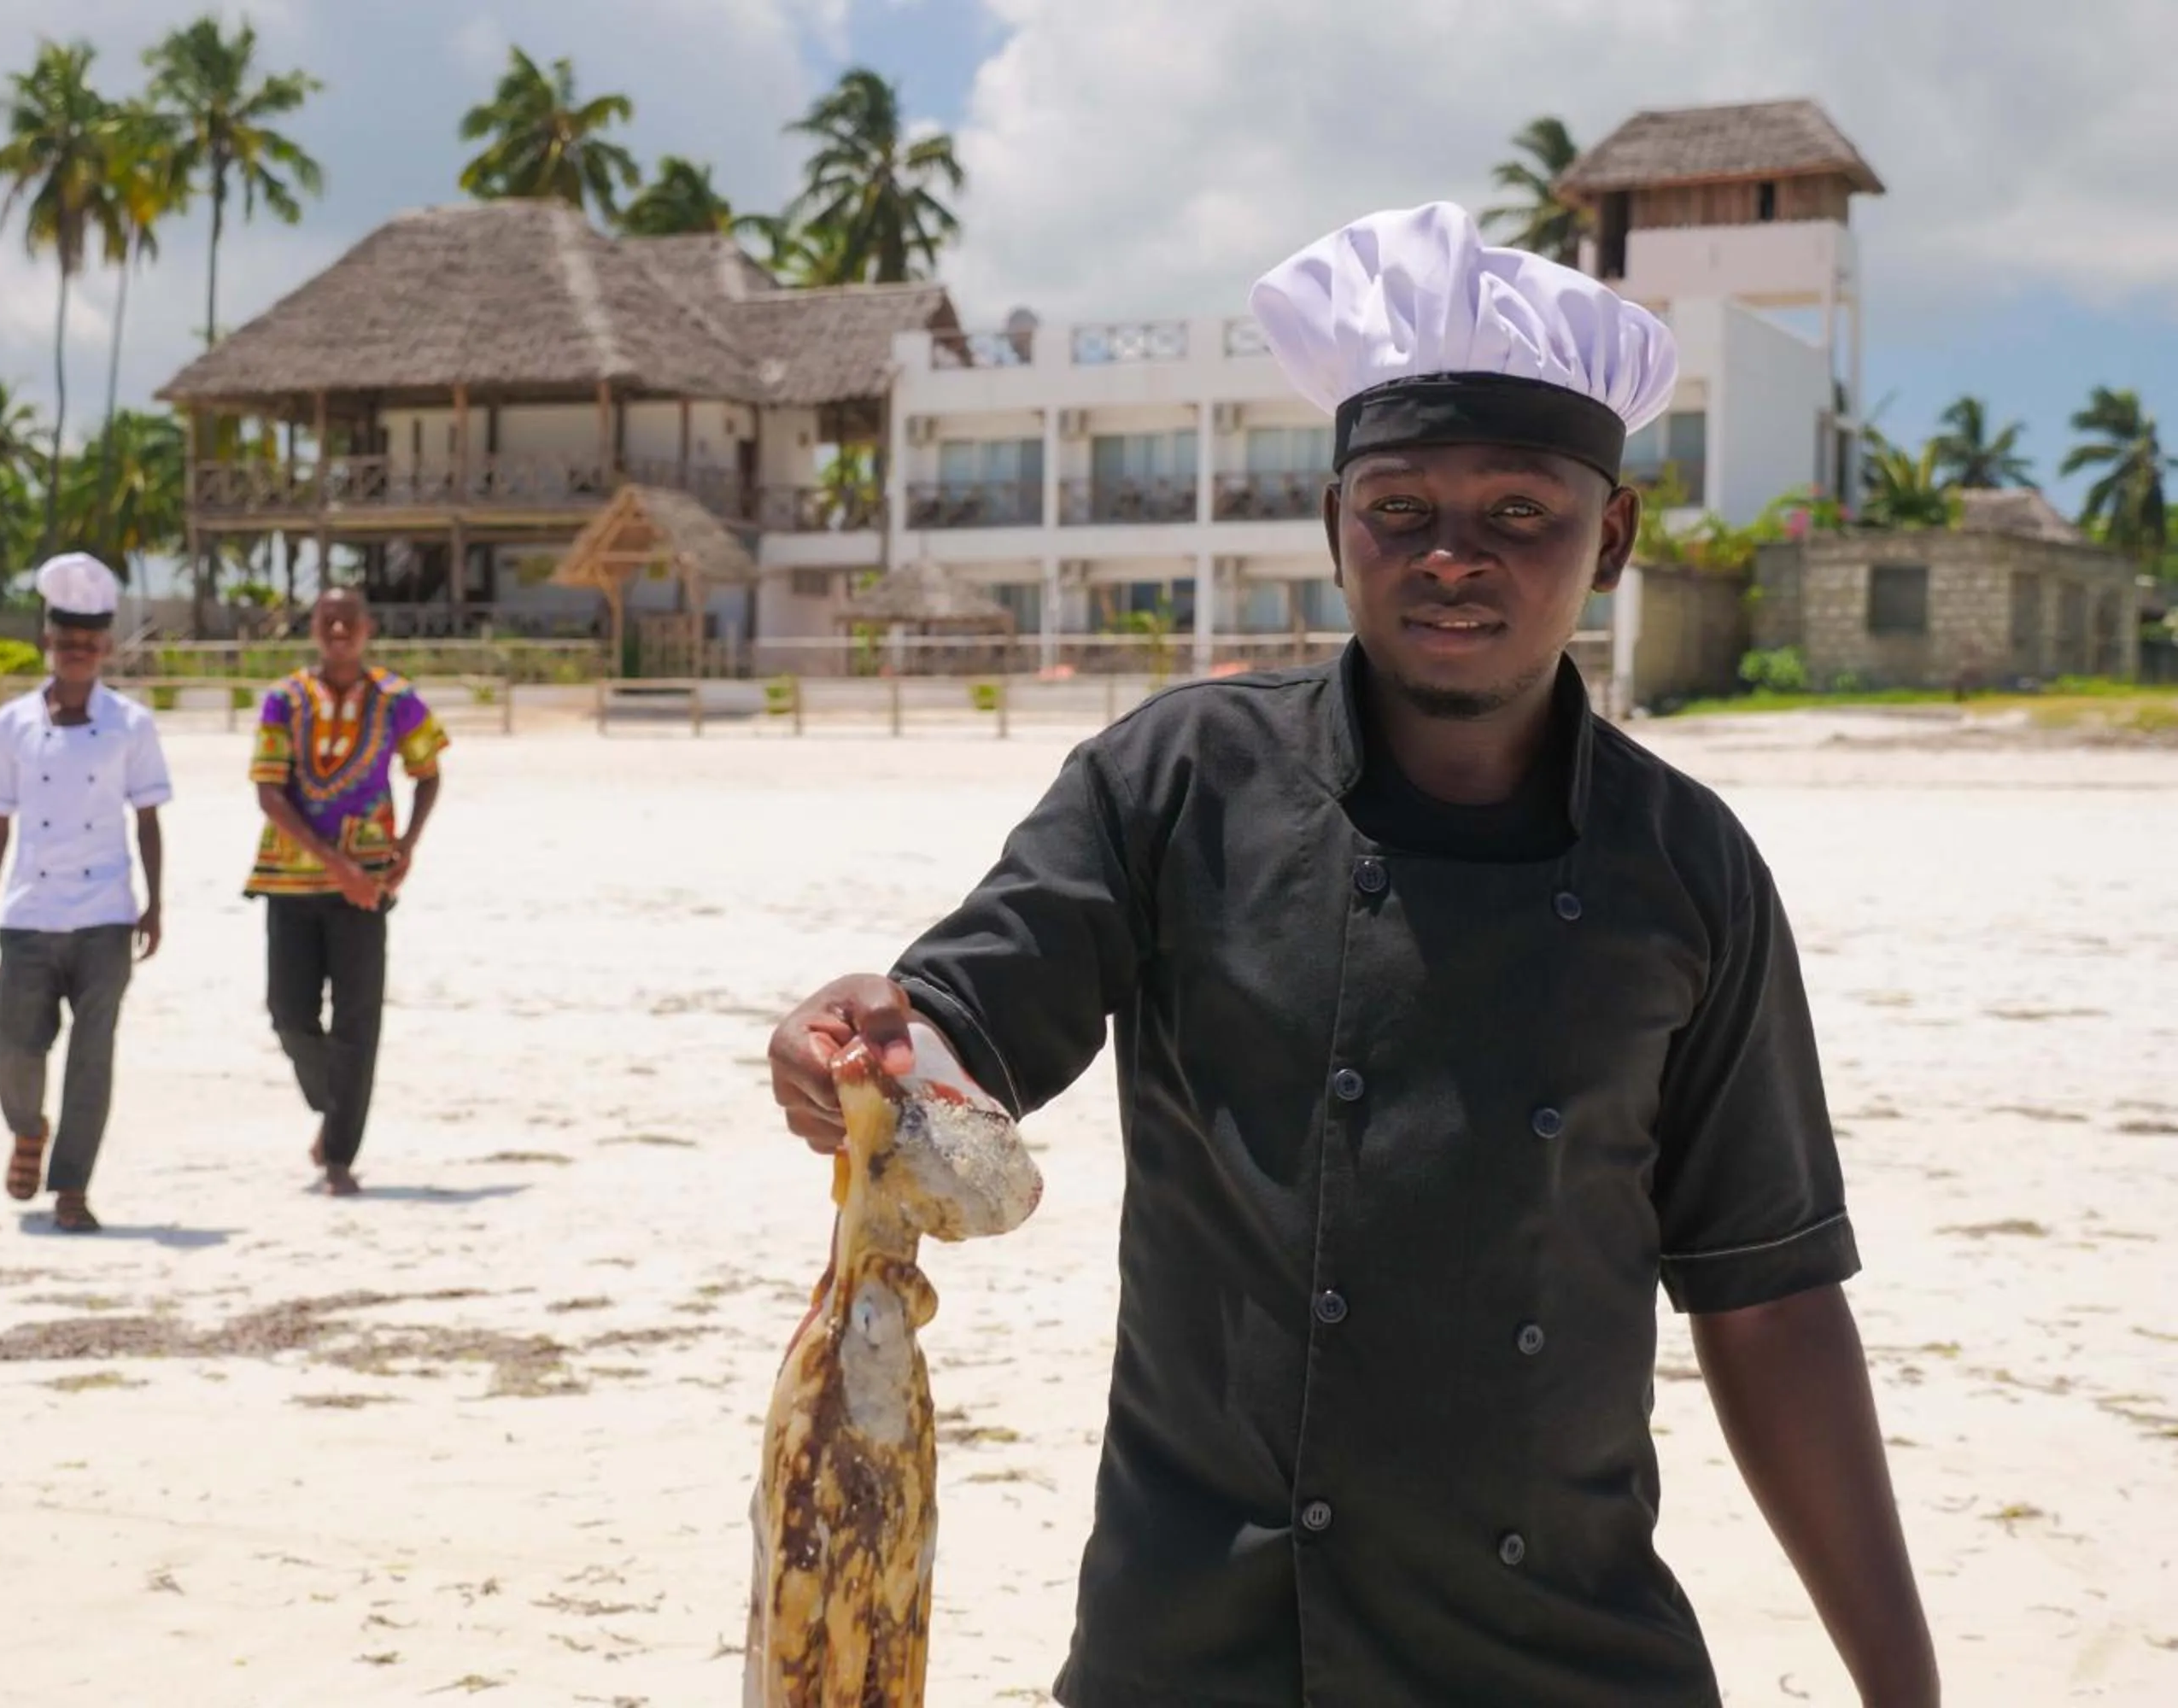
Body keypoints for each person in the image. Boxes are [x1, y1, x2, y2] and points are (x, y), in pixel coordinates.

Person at [765, 204, 1939, 1707]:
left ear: (1613, 538)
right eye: (1401, 507)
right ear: (1336, 525)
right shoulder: (1178, 783)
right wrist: (864, 1042)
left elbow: (1769, 1295)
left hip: (1564, 1659)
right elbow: (968, 1010)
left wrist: (1905, 1690)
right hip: (1206, 1652)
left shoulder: (1687, 868)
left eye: (1520, 511)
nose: (1453, 555)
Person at [0, 553, 170, 1235]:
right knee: (14, 1049)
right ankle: (28, 1128)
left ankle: (72, 1188)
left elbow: (148, 817)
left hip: (106, 914)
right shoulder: (11, 726)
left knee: (92, 1057)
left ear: (106, 647)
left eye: (89, 641)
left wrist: (154, 903)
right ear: (47, 643)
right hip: (29, 912)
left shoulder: (132, 725)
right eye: (66, 641)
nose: (78, 652)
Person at [244, 585, 448, 1196]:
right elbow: (269, 792)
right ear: (313, 627)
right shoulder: (284, 700)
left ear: (368, 628)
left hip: (369, 880)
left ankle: (338, 1155)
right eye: (328, 621)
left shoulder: (397, 699)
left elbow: (428, 772)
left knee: (358, 1019)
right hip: (290, 877)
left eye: (349, 622)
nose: (338, 632)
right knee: (290, 1014)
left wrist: (408, 844)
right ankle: (336, 1106)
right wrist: (337, 866)